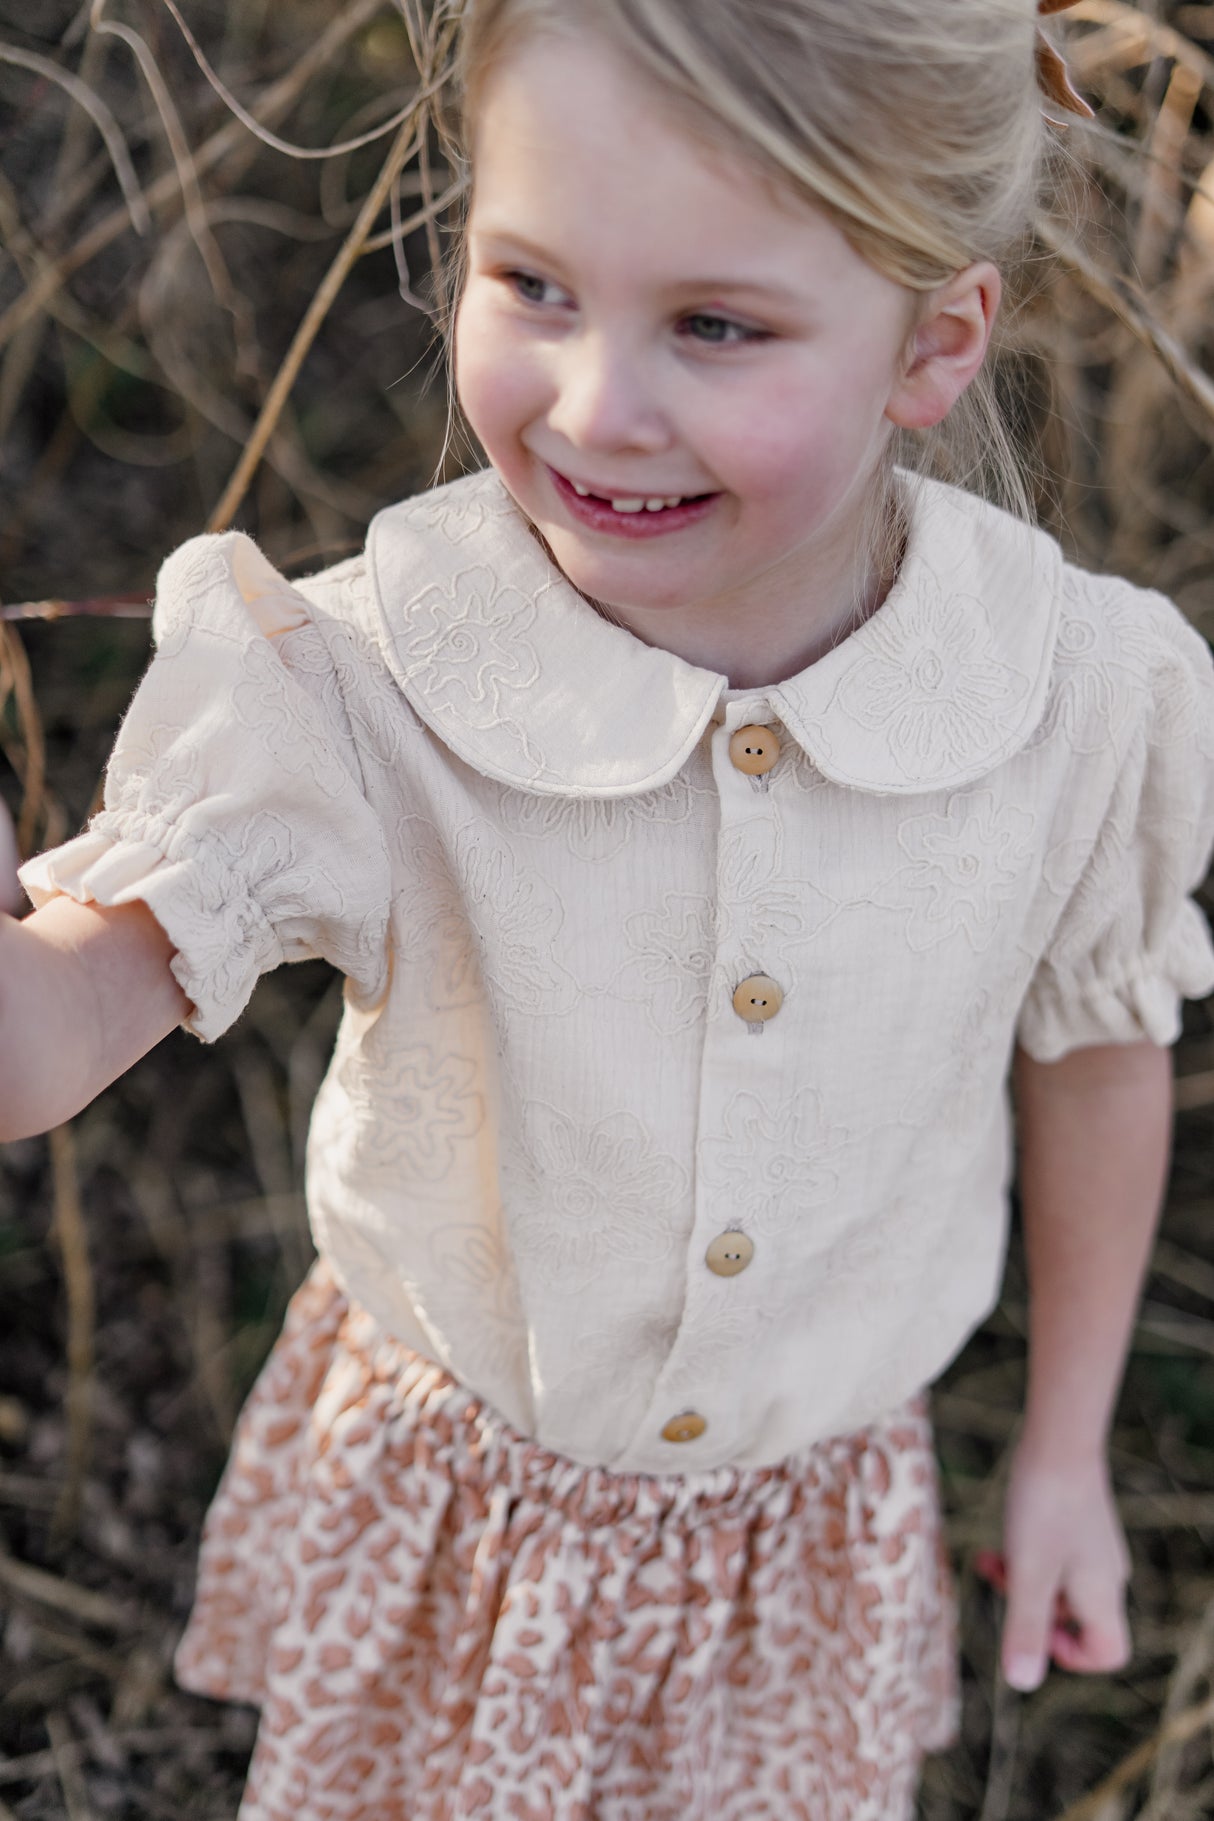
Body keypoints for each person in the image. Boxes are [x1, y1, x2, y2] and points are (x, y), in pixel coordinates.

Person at [3, 1, 1213, 1815]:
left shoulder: (1077, 694)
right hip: (465, 1527)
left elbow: (1103, 1047)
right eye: (531, 283)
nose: (590, 405)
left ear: (933, 343)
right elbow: (61, 1023)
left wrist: (1062, 1451)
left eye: (714, 325)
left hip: (798, 1542)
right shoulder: (357, 678)